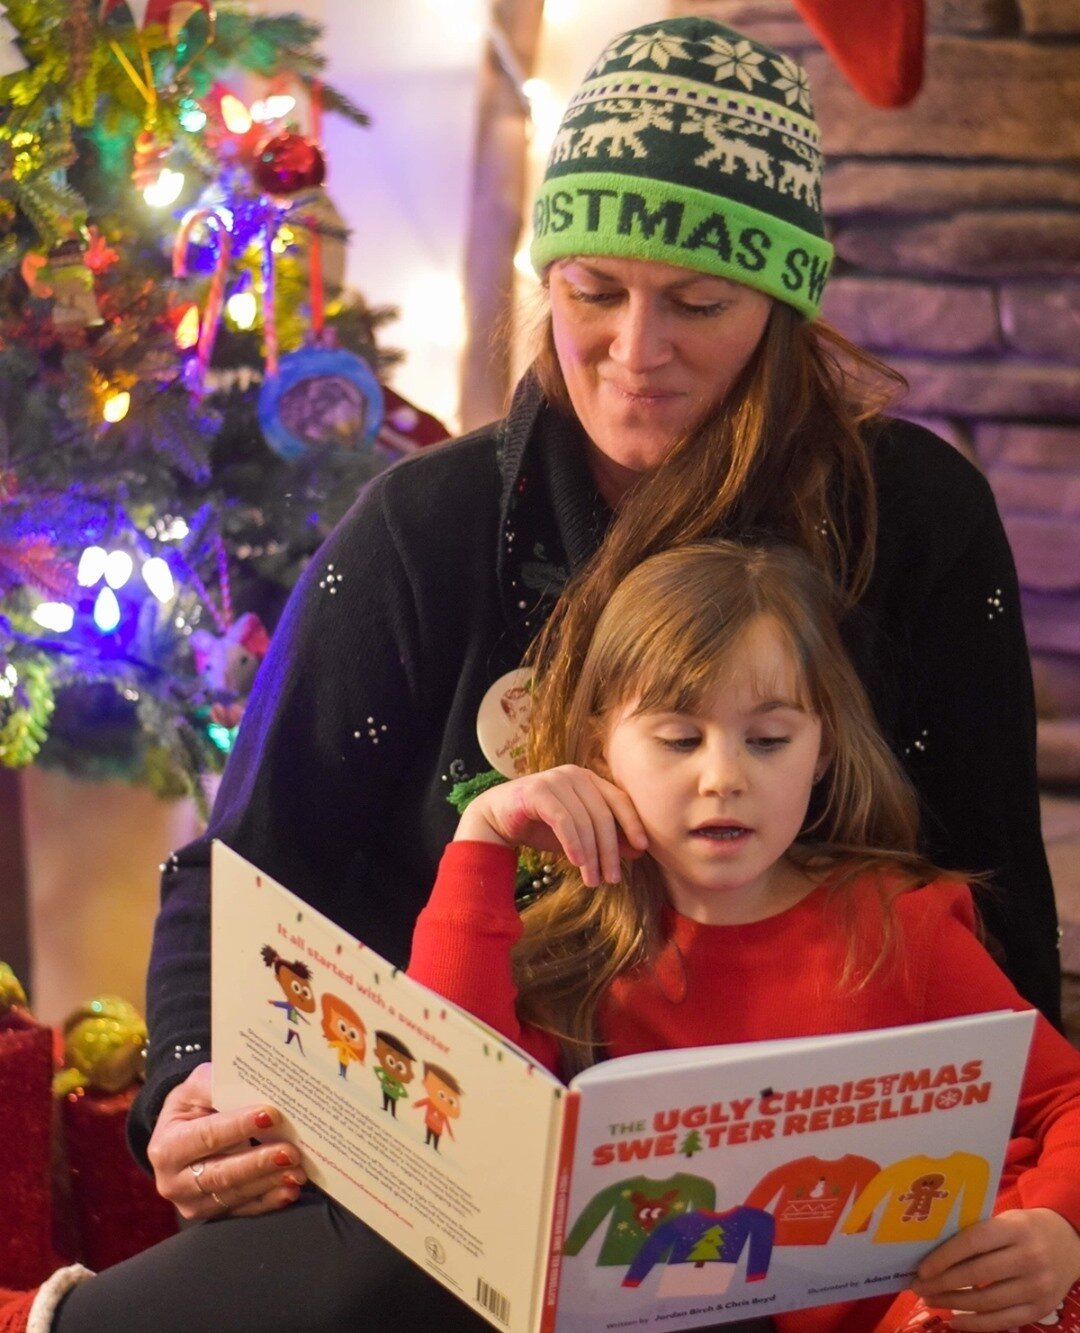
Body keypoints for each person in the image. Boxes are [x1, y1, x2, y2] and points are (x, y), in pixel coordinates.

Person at [0, 14, 1060, 1333]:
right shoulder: (427, 525)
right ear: (544, 276)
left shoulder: (916, 520)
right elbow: (241, 876)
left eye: (698, 302)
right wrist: (187, 1083)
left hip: (799, 1199)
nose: (634, 350)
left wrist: (1030, 1209)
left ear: (784, 301)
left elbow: (1000, 920)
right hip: (441, 1168)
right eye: (594, 291)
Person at [406, 539, 1080, 1332]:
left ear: (822, 749)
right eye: (680, 739)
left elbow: (1065, 1099)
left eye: (768, 740)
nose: (724, 776)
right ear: (598, 752)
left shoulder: (897, 925)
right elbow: (446, 1110)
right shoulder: (572, 958)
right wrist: (483, 833)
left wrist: (1058, 1225)